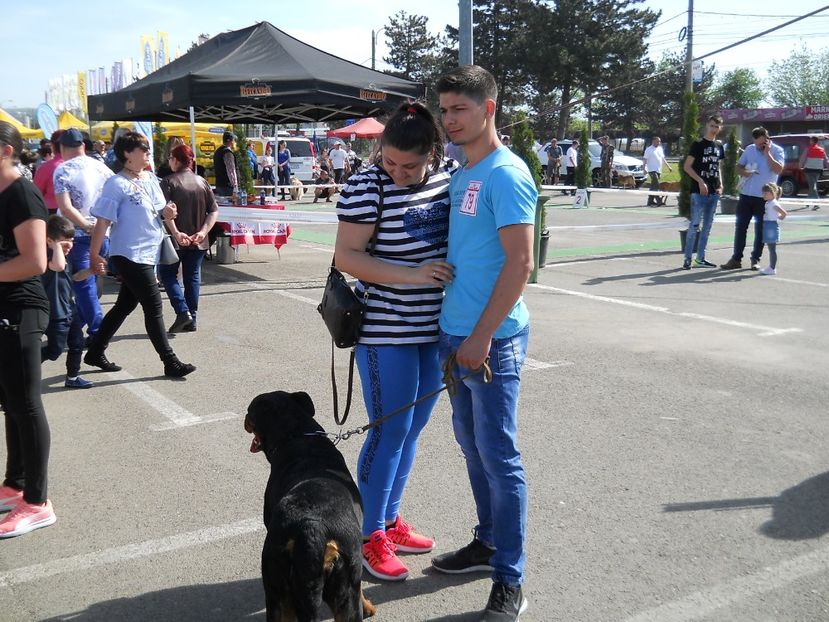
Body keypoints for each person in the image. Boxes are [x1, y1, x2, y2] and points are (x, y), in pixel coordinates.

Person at [334, 101, 456, 582]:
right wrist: (414, 275)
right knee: (389, 431)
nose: (398, 173)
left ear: (433, 153)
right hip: (387, 329)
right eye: (389, 161)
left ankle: (388, 519)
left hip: (435, 327)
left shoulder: (447, 176)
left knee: (412, 429)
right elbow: (347, 257)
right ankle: (367, 536)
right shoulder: (366, 185)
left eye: (410, 166)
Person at [434, 65, 536, 621]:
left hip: (490, 340)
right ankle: (489, 542)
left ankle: (510, 580)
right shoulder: (463, 173)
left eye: (460, 109)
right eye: (445, 110)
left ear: (488, 109)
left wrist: (482, 335)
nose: (449, 120)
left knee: (500, 458)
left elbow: (521, 263)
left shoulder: (506, 174)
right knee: (473, 449)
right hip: (454, 332)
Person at [84, 131, 196, 378]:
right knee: (153, 306)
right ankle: (170, 361)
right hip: (128, 254)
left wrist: (173, 226)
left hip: (148, 253)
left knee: (124, 305)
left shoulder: (150, 178)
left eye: (147, 148)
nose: (148, 152)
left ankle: (95, 351)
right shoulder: (116, 184)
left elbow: (162, 211)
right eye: (142, 149)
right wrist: (94, 254)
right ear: (127, 154)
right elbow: (103, 221)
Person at [0, 120, 57, 538]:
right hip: (5, 306)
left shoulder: (21, 192)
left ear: (6, 151)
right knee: (10, 401)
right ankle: (15, 483)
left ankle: (37, 502)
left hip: (22, 307)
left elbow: (35, 261)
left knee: (26, 403)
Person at [53, 128, 113, 341]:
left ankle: (98, 332)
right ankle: (74, 328)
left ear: (62, 148)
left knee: (83, 285)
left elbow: (66, 207)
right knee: (89, 284)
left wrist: (87, 226)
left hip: (76, 234)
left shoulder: (62, 170)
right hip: (103, 232)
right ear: (84, 146)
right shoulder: (103, 168)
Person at [158, 144, 219, 333]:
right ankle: (191, 316)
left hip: (174, 239)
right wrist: (203, 231)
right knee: (192, 277)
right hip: (198, 240)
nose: (169, 161)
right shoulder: (202, 182)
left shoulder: (168, 182)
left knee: (167, 274)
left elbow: (164, 211)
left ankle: (183, 311)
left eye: (170, 158)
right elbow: (214, 210)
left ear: (176, 160)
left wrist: (176, 232)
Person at [721, 127, 784, 271]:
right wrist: (745, 172)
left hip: (764, 198)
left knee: (760, 230)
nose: (759, 146)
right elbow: (738, 167)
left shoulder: (777, 150)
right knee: (740, 227)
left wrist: (768, 154)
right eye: (757, 144)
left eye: (761, 144)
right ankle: (736, 259)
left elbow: (778, 170)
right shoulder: (750, 149)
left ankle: (755, 259)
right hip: (746, 195)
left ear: (767, 140)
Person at [40, 215, 93, 389]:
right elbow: (58, 266)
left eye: (71, 241)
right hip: (55, 313)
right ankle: (20, 367)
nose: (69, 245)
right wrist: (55, 246)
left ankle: (72, 377)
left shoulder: (65, 256)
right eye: (64, 242)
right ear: (49, 241)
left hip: (70, 309)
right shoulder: (47, 256)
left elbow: (75, 277)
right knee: (54, 351)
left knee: (77, 344)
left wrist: (91, 270)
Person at [682, 115, 724, 270]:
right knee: (694, 225)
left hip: (714, 192)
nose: (714, 129)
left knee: (707, 227)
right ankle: (688, 258)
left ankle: (700, 258)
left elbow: (718, 166)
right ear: (707, 125)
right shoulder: (698, 144)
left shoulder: (719, 146)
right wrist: (700, 181)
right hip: (699, 192)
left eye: (717, 126)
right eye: (712, 126)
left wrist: (721, 184)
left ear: (720, 128)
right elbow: (687, 167)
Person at [32, 130, 64, 214]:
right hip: (85, 213)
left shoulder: (46, 167)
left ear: (52, 146)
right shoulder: (90, 165)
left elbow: (36, 193)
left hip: (52, 212)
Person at [759, 182, 787, 275]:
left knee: (772, 248)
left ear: (772, 193)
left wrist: (780, 217)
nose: (764, 195)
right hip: (767, 225)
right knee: (770, 248)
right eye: (763, 193)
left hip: (771, 226)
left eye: (766, 193)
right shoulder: (769, 203)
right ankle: (771, 266)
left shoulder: (773, 203)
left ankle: (772, 268)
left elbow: (783, 213)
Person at [799, 135, 828, 210]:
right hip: (818, 170)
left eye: (810, 140)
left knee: (812, 186)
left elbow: (803, 158)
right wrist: (828, 167)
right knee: (812, 185)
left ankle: (817, 203)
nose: (809, 141)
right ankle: (808, 202)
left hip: (809, 169)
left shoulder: (808, 149)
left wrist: (800, 166)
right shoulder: (821, 150)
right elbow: (826, 160)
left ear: (812, 141)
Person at [643, 136, 672, 206]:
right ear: (653, 141)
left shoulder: (660, 149)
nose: (659, 143)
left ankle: (650, 201)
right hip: (651, 170)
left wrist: (668, 166)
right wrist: (644, 169)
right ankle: (659, 200)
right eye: (657, 141)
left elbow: (663, 158)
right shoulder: (648, 149)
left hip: (658, 169)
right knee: (656, 184)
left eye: (659, 141)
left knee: (653, 186)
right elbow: (645, 159)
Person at [213, 131, 238, 197]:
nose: (234, 142)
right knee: (229, 202)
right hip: (227, 186)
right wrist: (235, 184)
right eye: (233, 140)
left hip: (219, 184)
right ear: (229, 141)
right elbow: (231, 170)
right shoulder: (227, 153)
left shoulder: (217, 151)